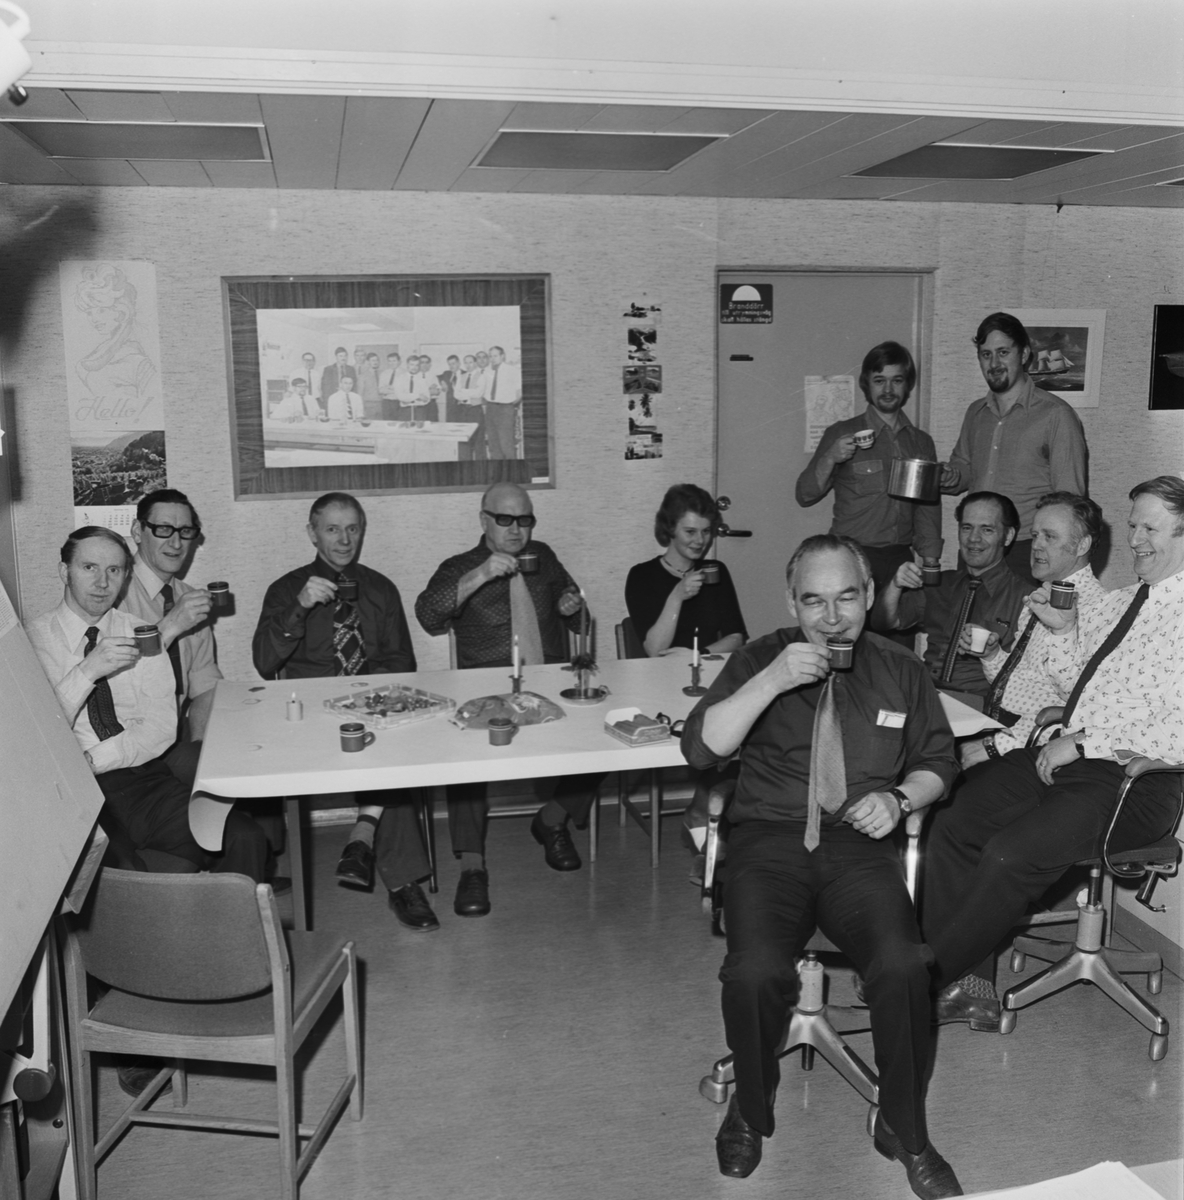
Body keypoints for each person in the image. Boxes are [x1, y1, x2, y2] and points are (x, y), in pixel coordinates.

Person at [681, 534, 961, 1198]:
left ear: (869, 596)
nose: (832, 618)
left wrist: (899, 799)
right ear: (791, 602)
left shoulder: (900, 669)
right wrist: (773, 680)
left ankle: (903, 1127)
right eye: (814, 601)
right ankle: (749, 1107)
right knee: (754, 972)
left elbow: (939, 762)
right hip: (769, 844)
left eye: (846, 598)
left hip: (858, 847)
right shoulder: (758, 659)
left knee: (904, 966)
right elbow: (701, 750)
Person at [921, 476, 1184, 1034]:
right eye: (1132, 525)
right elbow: (1075, 690)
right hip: (1068, 758)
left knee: (1008, 854)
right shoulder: (1119, 603)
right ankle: (967, 985)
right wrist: (1064, 633)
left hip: (1134, 781)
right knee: (953, 821)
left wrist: (1084, 741)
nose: (1135, 539)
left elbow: (1177, 731)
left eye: (1150, 528)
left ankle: (917, 978)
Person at [28, 525, 268, 880]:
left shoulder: (142, 634)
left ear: (126, 577)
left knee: (245, 837)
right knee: (123, 876)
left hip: (143, 778)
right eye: (89, 567)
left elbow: (159, 729)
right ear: (65, 571)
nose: (102, 582)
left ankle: (227, 916)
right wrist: (87, 671)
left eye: (114, 570)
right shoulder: (30, 642)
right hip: (77, 791)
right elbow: (37, 737)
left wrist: (94, 759)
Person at [252, 493, 440, 931]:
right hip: (309, 716)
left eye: (352, 528)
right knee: (381, 752)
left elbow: (402, 662)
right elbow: (264, 662)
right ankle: (370, 840)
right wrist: (299, 607)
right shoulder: (286, 589)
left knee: (393, 749)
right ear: (312, 533)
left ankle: (387, 866)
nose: (344, 539)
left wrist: (371, 697)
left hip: (370, 710)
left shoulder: (380, 589)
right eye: (332, 529)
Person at [415, 483, 595, 908]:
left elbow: (583, 622)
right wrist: (480, 575)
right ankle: (472, 865)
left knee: (601, 732)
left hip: (546, 679)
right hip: (485, 686)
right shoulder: (460, 566)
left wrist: (573, 608)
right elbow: (428, 615)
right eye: (505, 519)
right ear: (484, 520)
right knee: (463, 758)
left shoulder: (543, 557)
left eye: (525, 520)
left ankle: (552, 819)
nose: (516, 529)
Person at [959, 493, 1107, 768]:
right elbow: (1022, 684)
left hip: (1037, 745)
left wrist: (995, 746)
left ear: (1082, 545)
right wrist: (992, 655)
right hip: (1002, 725)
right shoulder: (1040, 597)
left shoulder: (1098, 610)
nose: (1036, 545)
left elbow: (1074, 708)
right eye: (1035, 535)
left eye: (1049, 537)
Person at [941, 313, 1088, 585]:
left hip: (1027, 550)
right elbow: (964, 469)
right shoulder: (975, 413)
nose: (994, 363)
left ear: (1024, 355)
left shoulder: (1056, 415)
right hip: (976, 546)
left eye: (1003, 352)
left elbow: (1070, 502)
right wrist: (949, 475)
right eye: (986, 355)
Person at [795, 341, 942, 593]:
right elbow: (804, 495)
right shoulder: (841, 433)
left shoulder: (921, 442)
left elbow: (927, 509)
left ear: (907, 384)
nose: (888, 389)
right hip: (851, 557)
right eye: (879, 380)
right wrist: (830, 457)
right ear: (867, 384)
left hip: (900, 559)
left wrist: (930, 561)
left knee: (900, 620)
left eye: (896, 380)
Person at [873, 491, 1029, 705]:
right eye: (967, 527)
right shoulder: (940, 584)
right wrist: (895, 585)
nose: (974, 538)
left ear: (1008, 536)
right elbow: (883, 622)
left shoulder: (1026, 598)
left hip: (979, 702)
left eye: (987, 529)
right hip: (926, 694)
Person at [122, 489, 219, 786]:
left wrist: (199, 748)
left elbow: (205, 687)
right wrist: (173, 623)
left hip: (176, 742)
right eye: (163, 529)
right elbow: (116, 683)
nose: (176, 543)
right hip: (126, 747)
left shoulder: (189, 598)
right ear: (137, 532)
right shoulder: (113, 593)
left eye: (185, 531)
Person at [625, 483, 747, 659]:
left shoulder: (714, 571)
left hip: (706, 666)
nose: (700, 540)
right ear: (670, 528)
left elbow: (736, 638)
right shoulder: (642, 576)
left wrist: (698, 656)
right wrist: (677, 595)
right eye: (690, 532)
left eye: (706, 531)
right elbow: (654, 650)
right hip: (662, 670)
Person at [482, 345, 522, 459]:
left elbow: (519, 392)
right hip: (490, 408)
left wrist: (509, 404)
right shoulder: (487, 371)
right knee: (493, 445)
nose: (492, 359)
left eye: (495, 356)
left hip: (505, 410)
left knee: (506, 444)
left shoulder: (512, 370)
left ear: (502, 356)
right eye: (490, 356)